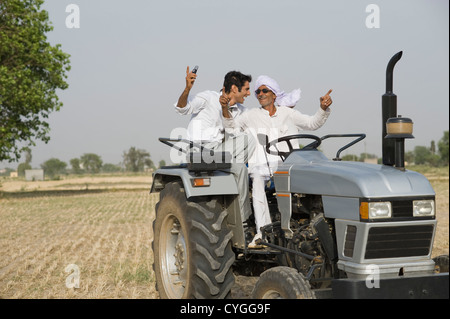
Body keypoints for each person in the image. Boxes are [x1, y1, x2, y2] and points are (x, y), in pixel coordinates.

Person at [221, 75, 333, 248]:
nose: (260, 94)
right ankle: (262, 232)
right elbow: (231, 127)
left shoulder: (288, 113)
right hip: (262, 168)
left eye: (264, 90)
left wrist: (323, 109)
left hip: (288, 166)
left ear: (274, 94)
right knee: (257, 179)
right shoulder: (251, 115)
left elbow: (312, 124)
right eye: (258, 91)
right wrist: (224, 108)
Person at [174, 66, 256, 222]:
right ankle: (242, 221)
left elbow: (255, 122)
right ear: (234, 88)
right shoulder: (208, 98)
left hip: (219, 152)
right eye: (246, 89)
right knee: (240, 170)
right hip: (200, 151)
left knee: (250, 139)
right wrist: (187, 89)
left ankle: (233, 177)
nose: (249, 93)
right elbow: (182, 108)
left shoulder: (240, 110)